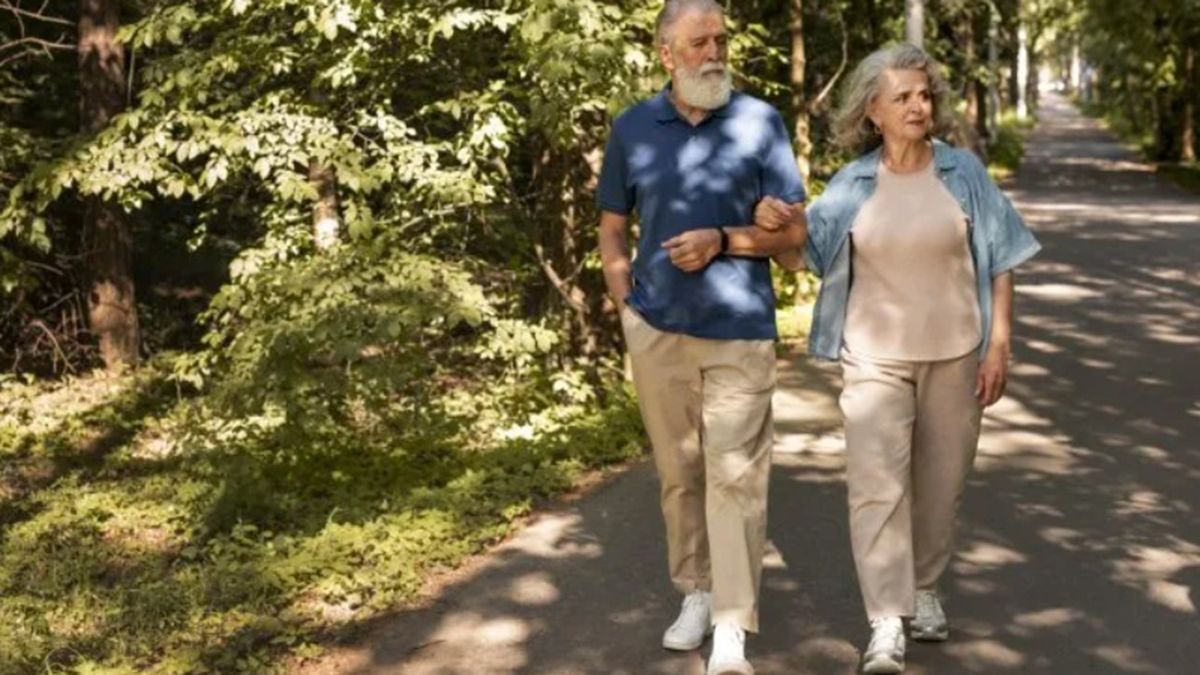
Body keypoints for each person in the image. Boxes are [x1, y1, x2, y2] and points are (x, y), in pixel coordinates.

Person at [757, 43, 1040, 674]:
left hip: (957, 354)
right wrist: (775, 224)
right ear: (874, 112)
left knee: (941, 487)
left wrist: (998, 346)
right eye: (903, 97)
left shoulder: (962, 173)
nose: (918, 106)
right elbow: (801, 253)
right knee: (875, 487)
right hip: (874, 359)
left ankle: (925, 586)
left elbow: (1003, 259)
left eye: (924, 95)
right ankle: (886, 619)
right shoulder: (853, 183)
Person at [595, 1, 808, 673]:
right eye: (699, 43)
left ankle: (731, 625)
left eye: (721, 40)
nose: (714, 53)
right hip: (657, 331)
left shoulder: (760, 122)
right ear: (667, 54)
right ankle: (695, 590)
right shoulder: (632, 127)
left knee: (735, 477)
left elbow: (795, 239)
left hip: (740, 330)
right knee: (679, 475)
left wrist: (727, 238)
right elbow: (611, 228)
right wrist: (626, 308)